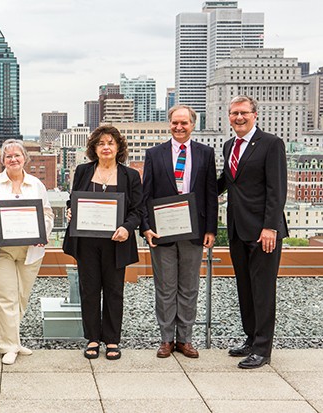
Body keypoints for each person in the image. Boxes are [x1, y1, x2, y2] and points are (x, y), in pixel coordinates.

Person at [140, 105, 218, 359]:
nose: (179, 127)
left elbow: (210, 193)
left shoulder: (206, 153)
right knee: (165, 286)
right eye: (175, 123)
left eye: (184, 123)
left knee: (189, 286)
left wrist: (211, 229)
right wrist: (146, 228)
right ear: (169, 124)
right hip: (162, 232)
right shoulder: (154, 154)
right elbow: (146, 194)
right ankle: (166, 339)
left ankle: (185, 339)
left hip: (194, 231)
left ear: (193, 125)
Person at [218, 95, 288, 369]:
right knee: (245, 288)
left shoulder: (271, 144)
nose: (239, 118)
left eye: (244, 113)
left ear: (254, 114)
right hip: (237, 228)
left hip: (263, 231)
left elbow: (277, 189)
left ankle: (263, 348)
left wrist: (270, 226)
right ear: (229, 116)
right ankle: (250, 339)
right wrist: (189, 196)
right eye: (234, 113)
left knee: (262, 290)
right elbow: (225, 182)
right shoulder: (228, 146)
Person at [62, 125, 142, 360]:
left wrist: (127, 228)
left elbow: (137, 210)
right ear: (94, 148)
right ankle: (93, 338)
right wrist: (70, 211)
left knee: (114, 291)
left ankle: (112, 339)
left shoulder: (130, 175)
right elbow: (73, 200)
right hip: (87, 242)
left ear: (118, 147)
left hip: (117, 242)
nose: (106, 147)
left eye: (110, 143)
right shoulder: (83, 171)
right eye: (101, 143)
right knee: (89, 291)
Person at [0, 139, 54, 365]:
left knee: (21, 296)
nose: (13, 159)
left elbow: (47, 214)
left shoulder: (36, 184)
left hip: (30, 249)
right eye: (8, 156)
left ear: (25, 158)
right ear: (3, 160)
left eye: (17, 155)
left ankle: (13, 340)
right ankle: (7, 346)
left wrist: (42, 233)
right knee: (5, 296)